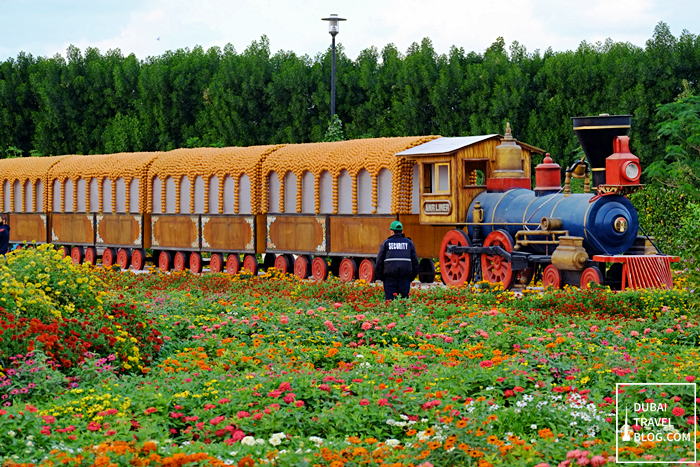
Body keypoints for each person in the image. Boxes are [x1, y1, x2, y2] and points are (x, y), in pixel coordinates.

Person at [375, 220, 419, 301]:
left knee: (390, 303)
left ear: (392, 232)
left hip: (389, 279)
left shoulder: (386, 243)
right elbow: (415, 261)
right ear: (402, 231)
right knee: (404, 302)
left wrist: (380, 276)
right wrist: (412, 277)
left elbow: (379, 261)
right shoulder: (409, 243)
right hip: (405, 278)